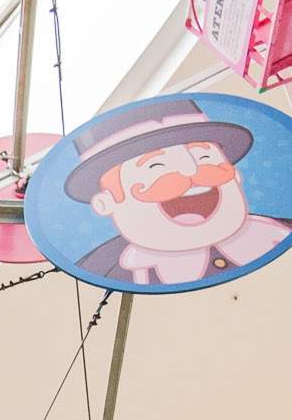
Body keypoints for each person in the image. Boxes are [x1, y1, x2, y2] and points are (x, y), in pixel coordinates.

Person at [67, 97, 292, 290]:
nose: (190, 172)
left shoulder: (281, 233)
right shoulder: (108, 270)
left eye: (204, 157)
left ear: (236, 175)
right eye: (156, 166)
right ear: (106, 203)